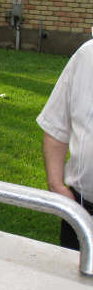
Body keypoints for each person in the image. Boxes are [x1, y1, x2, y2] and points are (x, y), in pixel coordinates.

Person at [36, 39, 93, 250]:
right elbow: (55, 124)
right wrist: (56, 183)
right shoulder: (87, 56)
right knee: (74, 282)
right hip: (82, 212)